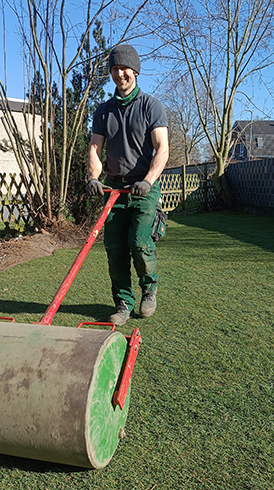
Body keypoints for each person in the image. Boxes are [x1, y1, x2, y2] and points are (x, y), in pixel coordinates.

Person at [86, 44, 169, 326]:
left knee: (138, 242)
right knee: (115, 247)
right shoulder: (103, 111)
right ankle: (123, 303)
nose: (120, 74)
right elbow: (95, 148)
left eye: (125, 68)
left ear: (135, 71)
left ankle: (149, 290)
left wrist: (148, 180)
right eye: (115, 68)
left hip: (143, 188)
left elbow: (163, 149)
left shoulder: (151, 106)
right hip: (113, 189)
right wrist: (93, 178)